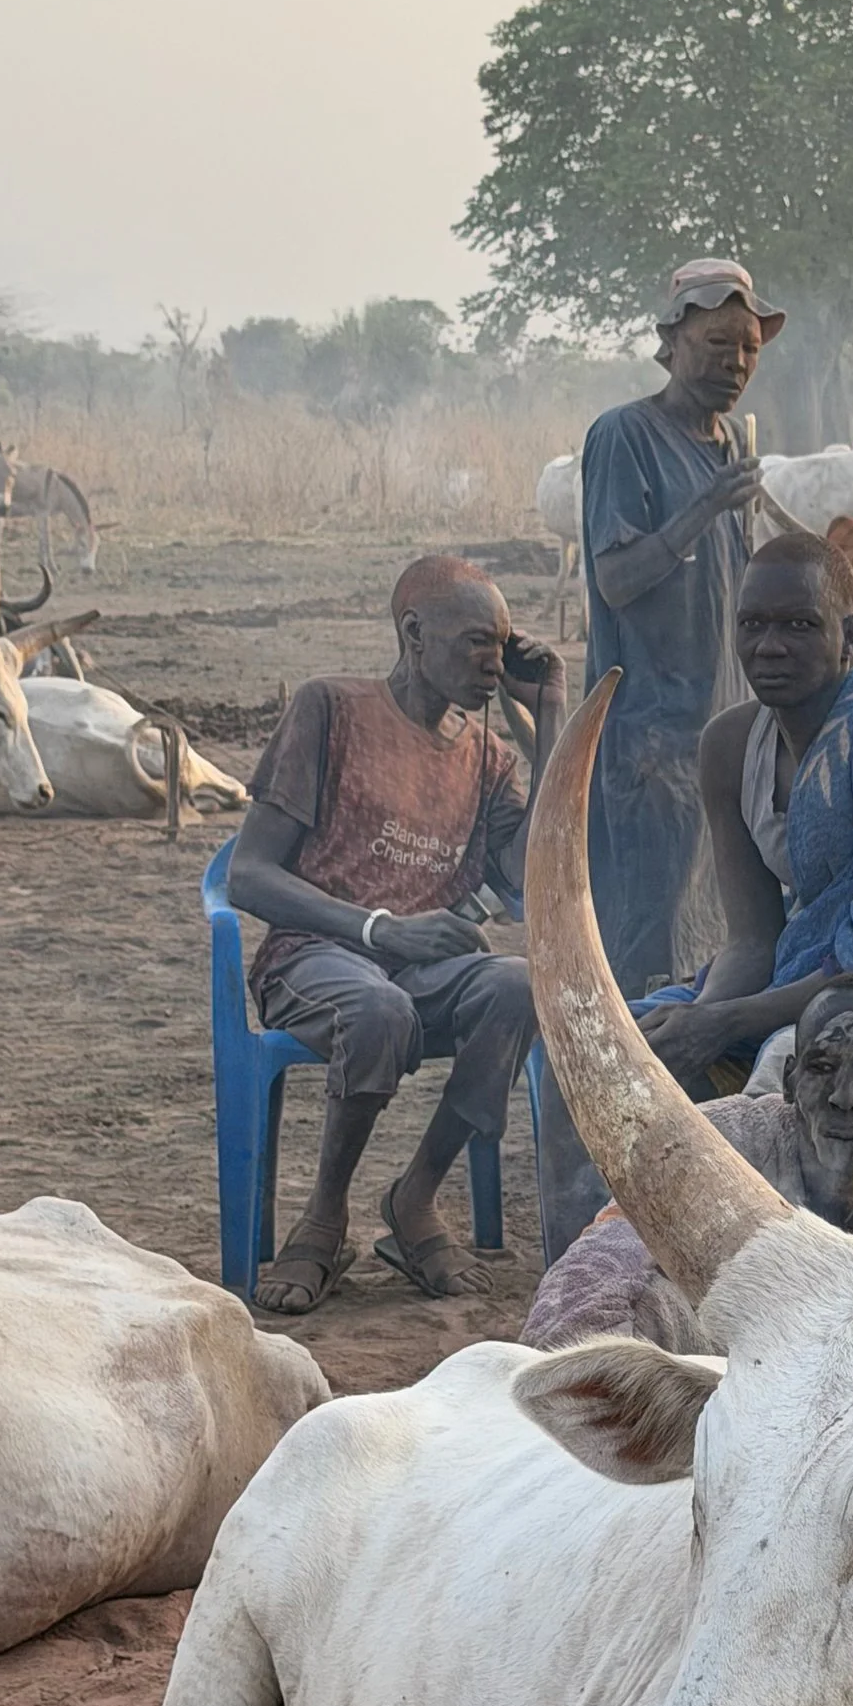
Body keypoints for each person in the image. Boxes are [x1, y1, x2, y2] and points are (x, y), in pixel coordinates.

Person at [538, 530, 853, 1251]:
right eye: (753, 624)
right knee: (594, 1058)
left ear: (848, 638)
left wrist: (727, 1025)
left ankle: (769, 1277)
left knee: (795, 1071)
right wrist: (696, 1025)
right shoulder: (729, 747)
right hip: (797, 977)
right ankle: (593, 1268)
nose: (770, 645)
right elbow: (754, 942)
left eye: (799, 625)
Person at [229, 555, 564, 1312]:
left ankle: (415, 1195)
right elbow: (248, 875)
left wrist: (550, 715)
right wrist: (381, 929)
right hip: (313, 959)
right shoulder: (330, 709)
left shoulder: (488, 758)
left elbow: (528, 872)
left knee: (519, 985)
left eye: (503, 645)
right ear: (414, 634)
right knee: (376, 1007)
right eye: (477, 642)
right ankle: (325, 1217)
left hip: (422, 976)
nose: (494, 663)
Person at [522, 975, 853, 1350]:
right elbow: (603, 1260)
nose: (846, 1097)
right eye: (822, 1068)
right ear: (790, 1082)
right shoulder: (725, 1146)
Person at [580, 258, 780, 990]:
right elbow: (617, 579)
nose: (737, 362)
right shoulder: (625, 435)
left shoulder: (726, 446)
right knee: (647, 949)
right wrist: (707, 506)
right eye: (718, 342)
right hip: (649, 745)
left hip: (724, 741)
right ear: (670, 344)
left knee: (719, 943)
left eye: (749, 348)